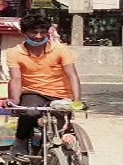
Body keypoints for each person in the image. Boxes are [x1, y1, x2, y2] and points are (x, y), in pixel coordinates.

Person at [5, 14, 83, 157]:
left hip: (61, 94)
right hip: (33, 92)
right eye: (33, 32)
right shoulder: (14, 52)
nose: (39, 36)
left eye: (43, 32)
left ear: (48, 32)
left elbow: (72, 75)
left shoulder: (60, 49)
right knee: (29, 113)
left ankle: (56, 159)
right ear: (24, 33)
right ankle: (20, 141)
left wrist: (77, 100)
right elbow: (16, 78)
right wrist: (15, 101)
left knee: (60, 125)